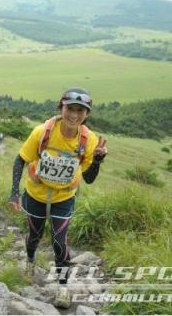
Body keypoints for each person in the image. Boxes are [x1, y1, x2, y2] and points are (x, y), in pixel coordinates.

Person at [8, 88, 107, 308]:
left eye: (80, 110)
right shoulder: (42, 132)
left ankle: (63, 285)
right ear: (61, 108)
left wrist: (97, 160)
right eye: (70, 108)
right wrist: (14, 192)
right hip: (36, 195)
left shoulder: (88, 141)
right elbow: (20, 159)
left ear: (87, 114)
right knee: (34, 236)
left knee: (59, 241)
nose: (74, 115)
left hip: (64, 198)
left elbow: (89, 178)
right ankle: (31, 260)